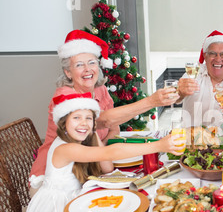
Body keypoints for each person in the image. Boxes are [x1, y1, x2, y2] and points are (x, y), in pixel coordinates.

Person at [19, 92, 185, 212]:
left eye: (88, 118)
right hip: (55, 211)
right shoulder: (64, 148)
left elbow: (107, 167)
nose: (83, 123)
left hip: (74, 200)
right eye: (76, 118)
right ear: (63, 123)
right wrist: (159, 145)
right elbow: (112, 151)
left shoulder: (80, 139)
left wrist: (92, 133)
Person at [29, 30, 179, 191]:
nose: (87, 69)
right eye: (79, 65)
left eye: (92, 62)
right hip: (56, 182)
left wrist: (101, 152)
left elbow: (113, 127)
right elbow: (103, 121)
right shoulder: (65, 98)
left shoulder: (100, 89)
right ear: (68, 72)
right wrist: (151, 102)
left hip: (89, 170)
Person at [176, 30, 223, 127]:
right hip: (193, 138)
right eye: (212, 54)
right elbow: (175, 99)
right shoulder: (193, 74)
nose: (218, 59)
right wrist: (180, 93)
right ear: (205, 56)